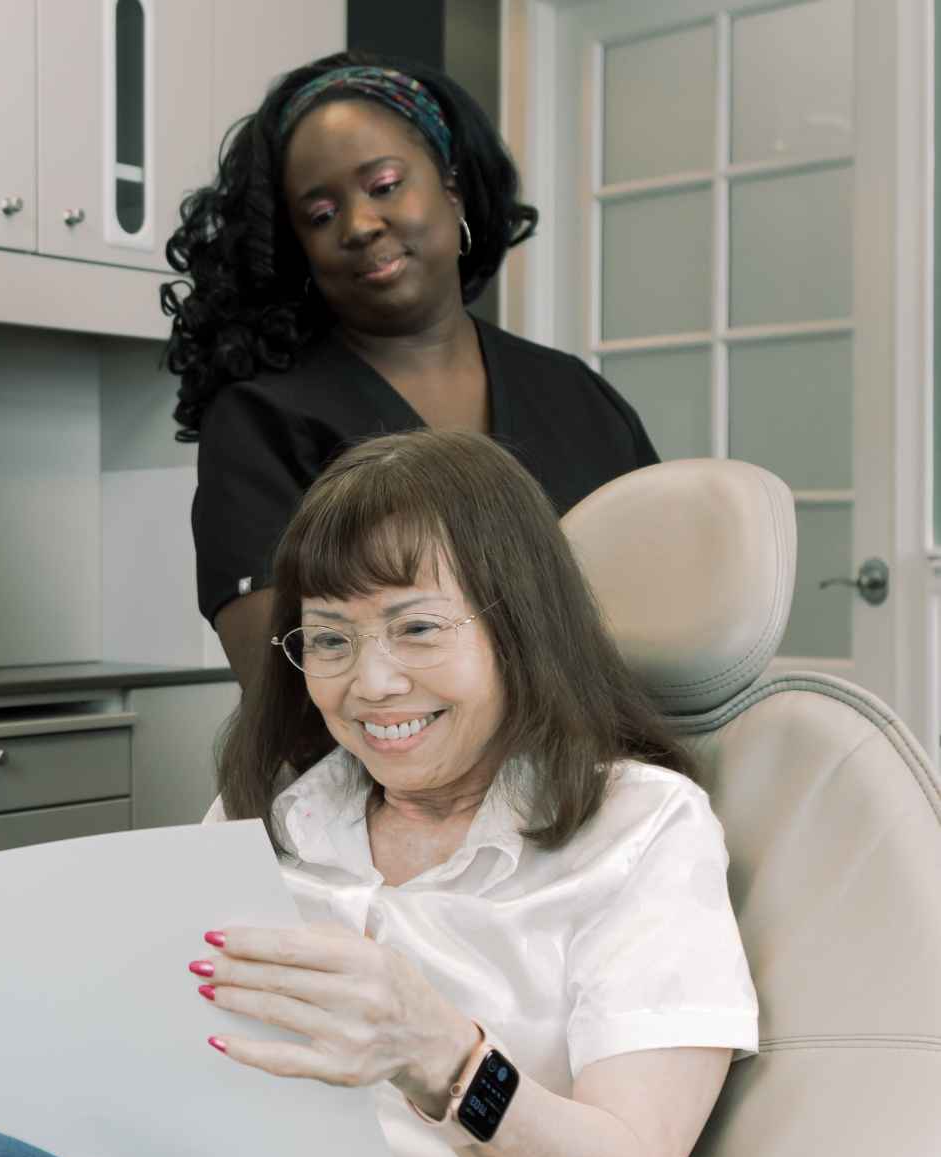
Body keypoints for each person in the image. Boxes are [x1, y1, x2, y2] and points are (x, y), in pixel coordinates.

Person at [191, 429, 756, 1157]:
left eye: (418, 629)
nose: (372, 685)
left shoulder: (641, 830)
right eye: (330, 641)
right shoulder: (267, 812)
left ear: (518, 629)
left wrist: (447, 1059)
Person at [163, 52, 660, 692]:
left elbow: (673, 614)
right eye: (320, 215)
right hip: (390, 788)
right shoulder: (265, 421)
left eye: (386, 184)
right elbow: (292, 697)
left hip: (611, 776)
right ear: (299, 252)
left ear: (451, 188)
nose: (361, 224)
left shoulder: (578, 396)